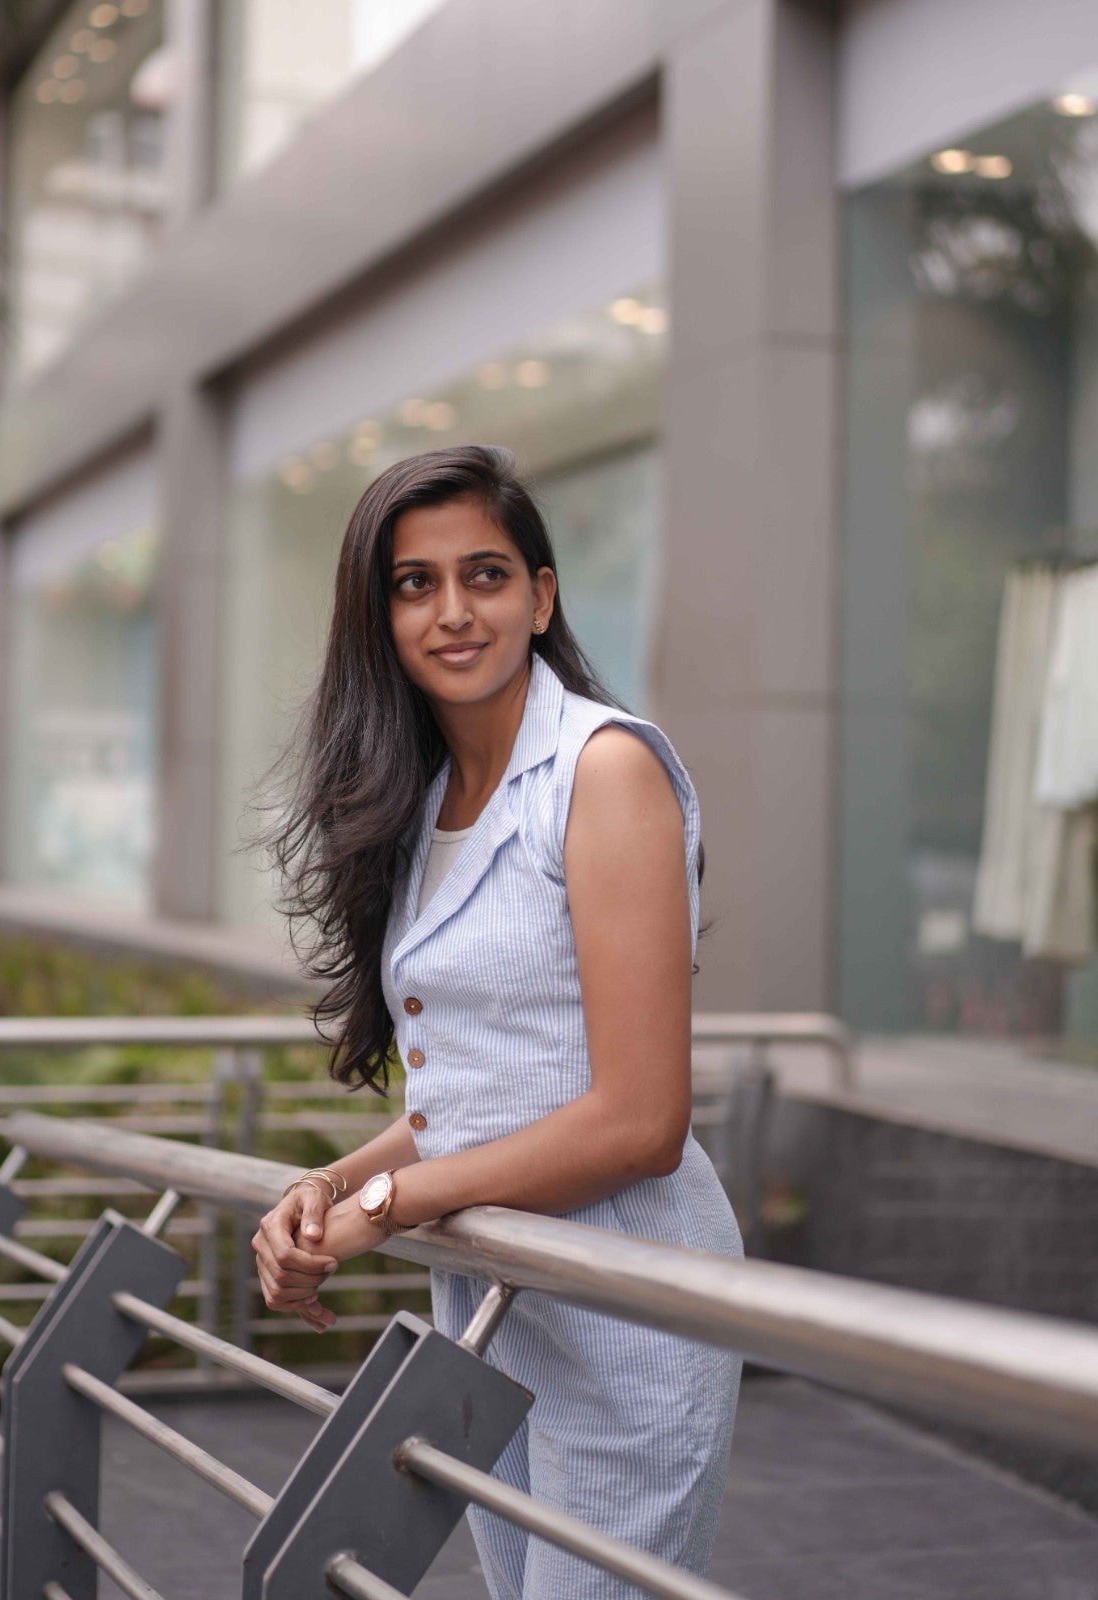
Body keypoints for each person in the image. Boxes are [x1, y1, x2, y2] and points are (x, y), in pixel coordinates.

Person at [252, 444, 743, 1599]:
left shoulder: (603, 771)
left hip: (625, 1311)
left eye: (484, 574)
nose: (453, 610)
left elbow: (641, 1122)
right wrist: (325, 1188)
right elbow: (478, 1098)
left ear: (541, 595)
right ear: (378, 618)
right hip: (493, 1312)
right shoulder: (424, 800)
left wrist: (384, 1209)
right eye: (413, 584)